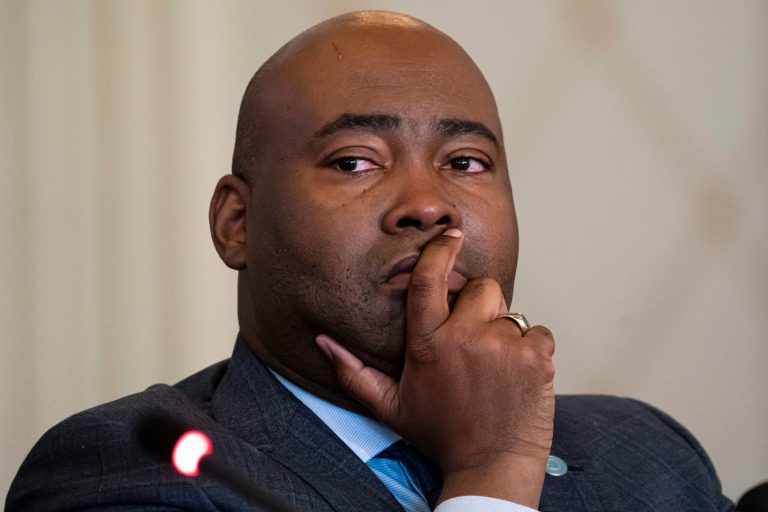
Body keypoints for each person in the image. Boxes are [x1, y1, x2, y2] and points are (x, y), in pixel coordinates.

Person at [6, 10, 733, 512]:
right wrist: (491, 475)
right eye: (356, 161)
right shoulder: (137, 470)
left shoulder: (646, 456)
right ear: (237, 224)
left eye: (467, 162)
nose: (428, 204)